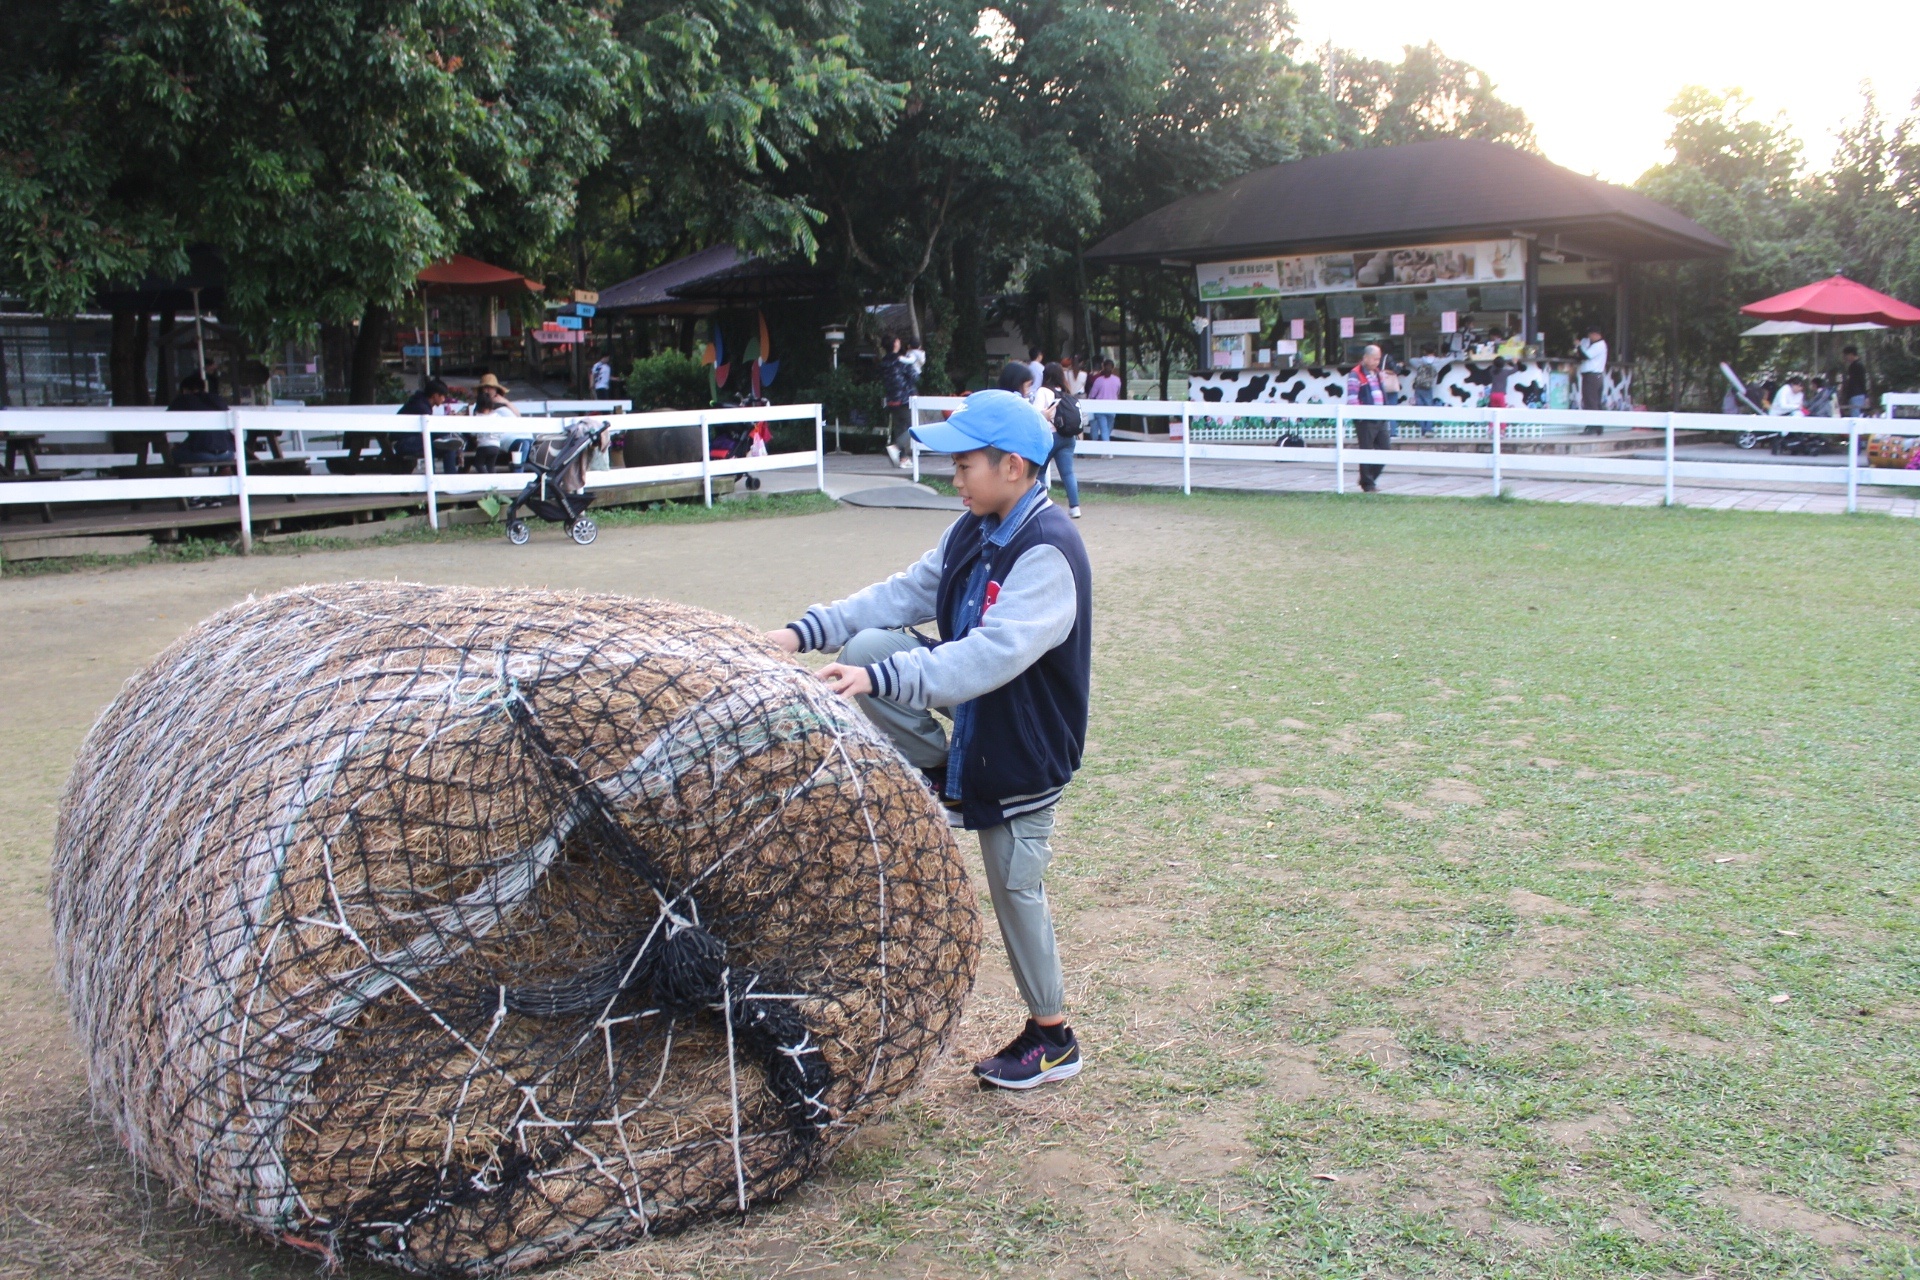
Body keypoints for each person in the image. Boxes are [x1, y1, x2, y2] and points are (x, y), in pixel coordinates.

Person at [765, 388, 1091, 1090]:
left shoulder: (1049, 550)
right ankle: (946, 775)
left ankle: (1053, 1036)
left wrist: (878, 679)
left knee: (1014, 891)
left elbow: (986, 658)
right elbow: (899, 595)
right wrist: (799, 633)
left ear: (1013, 466)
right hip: (978, 732)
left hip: (1022, 752)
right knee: (870, 637)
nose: (953, 476)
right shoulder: (973, 527)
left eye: (963, 462)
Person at [1039, 362, 1082, 518]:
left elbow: (1036, 414)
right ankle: (1075, 507)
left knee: (1039, 471)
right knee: (1068, 473)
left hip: (1050, 436)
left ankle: (1041, 505)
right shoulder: (1066, 393)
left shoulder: (1043, 391)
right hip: (1068, 438)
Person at [1345, 344, 1389, 492]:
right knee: (1366, 450)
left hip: (1380, 417)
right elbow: (1352, 398)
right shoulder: (1355, 374)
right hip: (1366, 420)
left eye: (1378, 359)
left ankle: (1367, 478)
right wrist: (1360, 417)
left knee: (1385, 449)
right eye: (1375, 359)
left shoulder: (1377, 373)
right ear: (1365, 358)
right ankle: (1368, 484)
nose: (1377, 362)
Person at [168, 372, 235, 466]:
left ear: (184, 390)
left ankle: (183, 479)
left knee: (173, 454)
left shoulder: (184, 400)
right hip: (228, 454)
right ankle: (224, 469)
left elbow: (168, 419)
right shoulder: (217, 399)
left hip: (202, 454)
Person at [881, 336, 920, 469]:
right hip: (905, 398)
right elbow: (915, 376)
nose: (899, 342)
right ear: (894, 344)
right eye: (897, 340)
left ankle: (903, 459)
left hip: (891, 399)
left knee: (899, 428)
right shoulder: (902, 361)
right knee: (914, 426)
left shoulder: (884, 361)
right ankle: (896, 446)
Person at [468, 383, 520, 471]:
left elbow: (472, 433)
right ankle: (493, 480)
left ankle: (486, 477)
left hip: (483, 445)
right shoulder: (497, 416)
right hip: (496, 446)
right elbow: (502, 430)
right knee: (491, 466)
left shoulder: (478, 418)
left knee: (478, 464)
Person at [1577, 326, 1608, 430]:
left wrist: (1578, 346)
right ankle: (1598, 427)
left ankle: (1592, 426)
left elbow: (1586, 356)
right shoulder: (1594, 344)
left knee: (1590, 402)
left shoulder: (1599, 345)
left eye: (1590, 335)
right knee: (1595, 402)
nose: (1589, 337)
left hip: (1592, 376)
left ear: (1596, 334)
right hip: (1595, 377)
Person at [1086, 360, 1121, 441]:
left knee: (1103, 429)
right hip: (1112, 408)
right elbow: (1117, 393)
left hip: (1100, 408)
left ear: (1103, 367)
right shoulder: (1117, 380)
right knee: (1108, 429)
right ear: (1113, 368)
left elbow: (1092, 395)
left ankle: (1105, 449)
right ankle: (1105, 448)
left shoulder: (1099, 380)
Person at [1410, 343, 1440, 437]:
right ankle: (1428, 429)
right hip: (1428, 387)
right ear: (1434, 351)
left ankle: (1423, 430)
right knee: (1429, 408)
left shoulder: (1419, 362)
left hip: (1419, 386)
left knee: (1420, 408)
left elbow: (1410, 360)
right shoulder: (1438, 361)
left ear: (1424, 351)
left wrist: (1423, 359)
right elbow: (1451, 358)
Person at [1841, 346, 1869, 416]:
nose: (1846, 358)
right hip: (1853, 395)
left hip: (1857, 395)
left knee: (1855, 416)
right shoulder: (1852, 366)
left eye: (1846, 356)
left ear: (1851, 354)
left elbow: (1862, 381)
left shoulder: (1858, 366)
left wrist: (1866, 396)